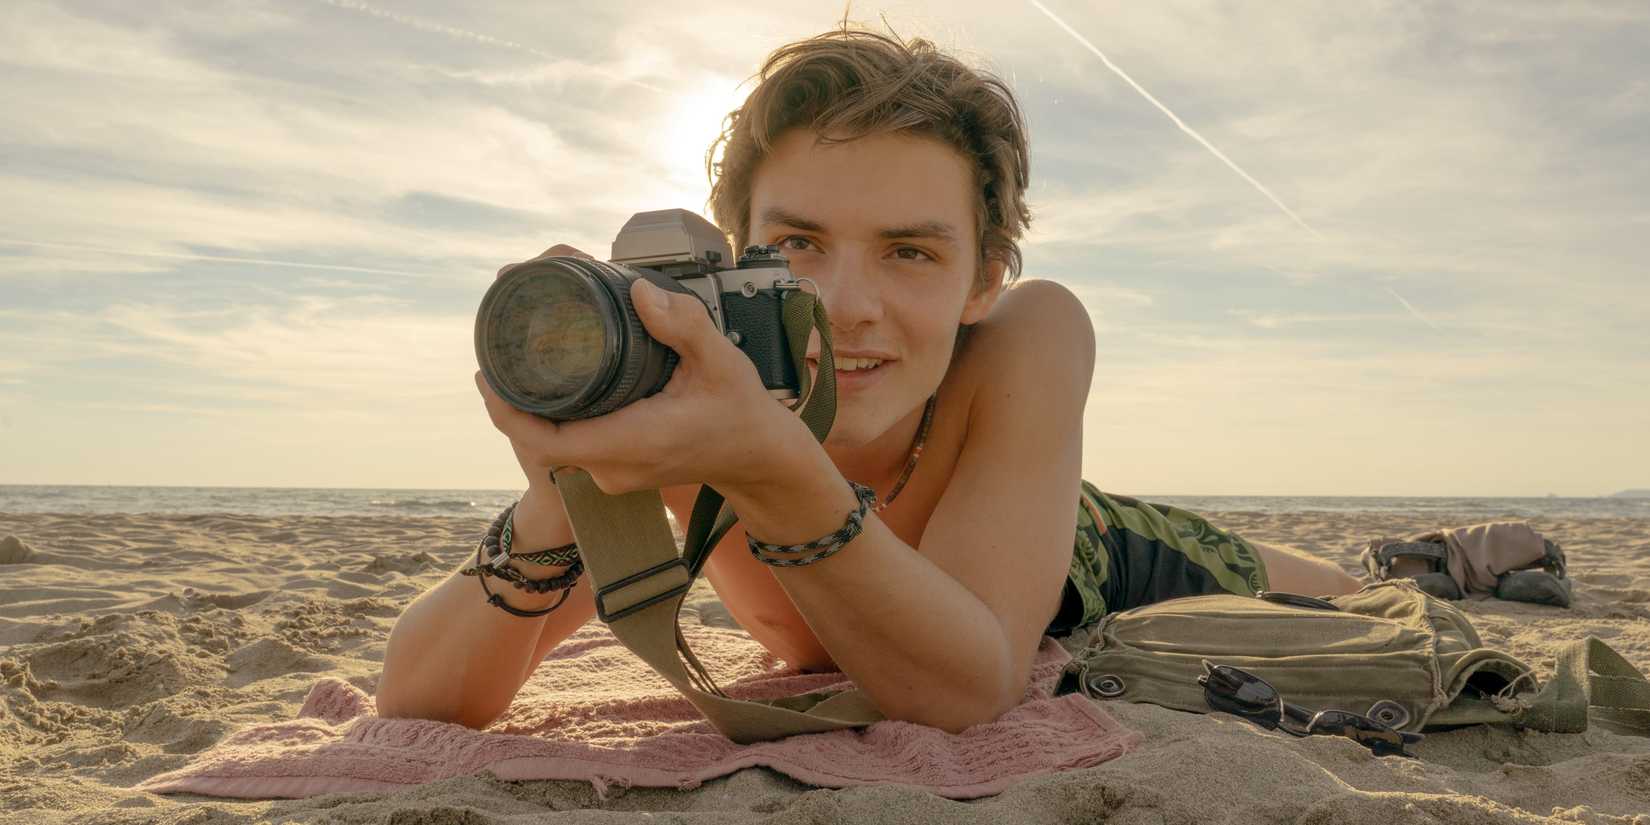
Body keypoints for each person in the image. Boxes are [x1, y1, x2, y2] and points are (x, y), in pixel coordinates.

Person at [377, 24, 1360, 734]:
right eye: (796, 246)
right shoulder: (686, 399)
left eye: (909, 253)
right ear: (734, 258)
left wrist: (769, 469)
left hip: (1122, 555)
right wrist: (563, 493)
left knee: (1354, 598)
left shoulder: (1025, 335)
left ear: (983, 279)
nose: (845, 305)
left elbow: (968, 688)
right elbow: (421, 703)